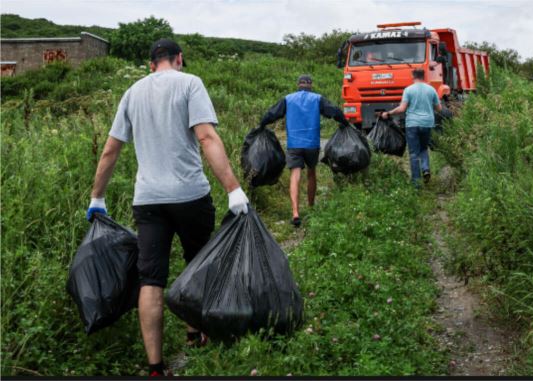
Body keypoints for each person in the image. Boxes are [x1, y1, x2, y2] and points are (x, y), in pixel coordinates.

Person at [85, 38, 249, 376]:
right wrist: (233, 189)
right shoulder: (190, 83)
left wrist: (96, 198)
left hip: (148, 200)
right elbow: (206, 137)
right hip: (190, 195)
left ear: (150, 64)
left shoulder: (132, 92)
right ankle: (194, 334)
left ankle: (156, 367)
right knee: (197, 263)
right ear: (179, 59)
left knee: (151, 279)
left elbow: (110, 150)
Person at [259, 74, 349, 227]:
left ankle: (295, 212)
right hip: (312, 143)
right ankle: (311, 206)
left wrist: (262, 125)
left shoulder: (288, 99)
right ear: (310, 85)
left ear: (298, 85)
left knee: (295, 173)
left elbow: (272, 114)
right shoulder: (317, 99)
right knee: (311, 172)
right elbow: (334, 111)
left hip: (294, 143)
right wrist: (344, 123)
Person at [381, 68, 442, 186]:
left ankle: (416, 183)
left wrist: (388, 113)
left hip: (413, 124)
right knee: (424, 148)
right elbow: (439, 108)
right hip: (427, 123)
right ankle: (426, 169)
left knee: (414, 153)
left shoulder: (408, 90)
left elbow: (402, 108)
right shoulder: (431, 89)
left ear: (413, 76)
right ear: (424, 76)